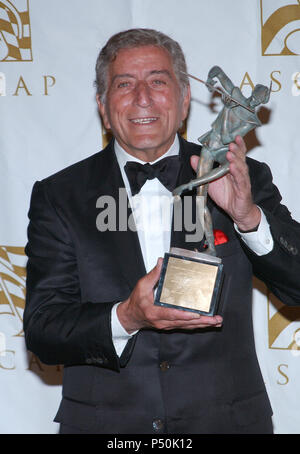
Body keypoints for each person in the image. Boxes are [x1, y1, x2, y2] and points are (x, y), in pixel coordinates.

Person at [24, 28, 300, 434]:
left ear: (185, 99)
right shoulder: (59, 196)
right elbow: (44, 330)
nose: (142, 98)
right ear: (103, 106)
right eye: (124, 84)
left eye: (158, 81)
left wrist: (249, 218)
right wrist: (126, 316)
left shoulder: (241, 178)